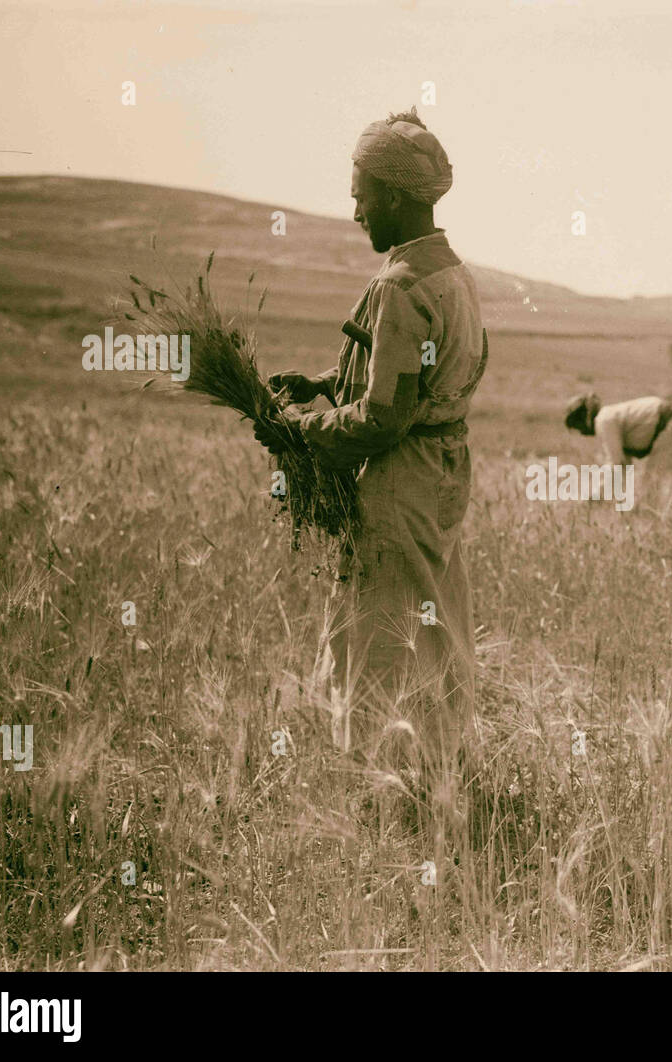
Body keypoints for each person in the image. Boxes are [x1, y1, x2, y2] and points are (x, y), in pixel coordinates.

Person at [255, 108, 486, 771]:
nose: (356, 212)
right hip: (443, 471)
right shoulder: (453, 274)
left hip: (400, 481)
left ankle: (381, 784)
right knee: (437, 626)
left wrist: (296, 431)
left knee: (375, 637)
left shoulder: (399, 286)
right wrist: (329, 380)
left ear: (392, 194)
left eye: (361, 197)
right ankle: (443, 767)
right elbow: (419, 375)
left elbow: (385, 417)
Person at [564, 393, 672, 503]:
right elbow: (624, 467)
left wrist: (594, 496)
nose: (581, 432)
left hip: (671, 428)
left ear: (583, 418)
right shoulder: (613, 416)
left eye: (576, 425)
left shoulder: (603, 420)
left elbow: (617, 464)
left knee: (651, 486)